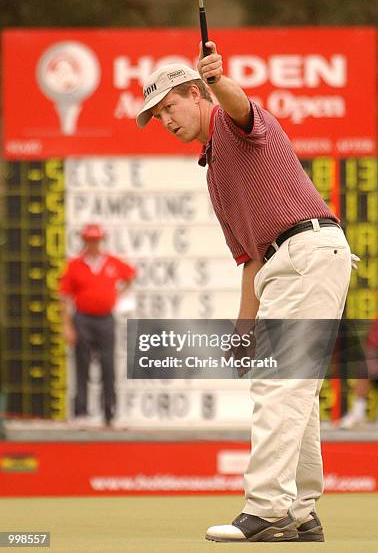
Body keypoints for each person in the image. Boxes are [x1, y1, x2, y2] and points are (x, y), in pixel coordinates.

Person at [136, 42, 354, 543]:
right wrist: (242, 327)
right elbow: (250, 258)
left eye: (170, 106)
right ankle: (300, 513)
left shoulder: (238, 125)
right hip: (283, 265)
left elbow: (240, 105)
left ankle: (267, 509)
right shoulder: (214, 174)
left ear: (195, 94)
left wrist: (218, 78)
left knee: (278, 387)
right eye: (157, 116)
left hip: (307, 251)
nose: (166, 120)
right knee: (294, 391)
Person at [59, 223, 136, 426]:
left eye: (96, 240)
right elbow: (65, 297)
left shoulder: (111, 262)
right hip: (82, 319)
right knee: (82, 365)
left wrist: (116, 294)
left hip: (105, 319)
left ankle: (109, 413)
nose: (93, 245)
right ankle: (81, 412)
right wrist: (67, 326)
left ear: (101, 241)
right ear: (84, 241)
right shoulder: (75, 265)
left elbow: (130, 275)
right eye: (89, 241)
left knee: (108, 365)